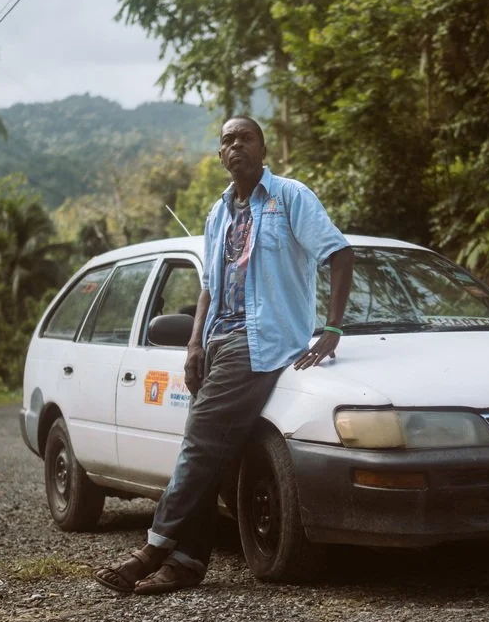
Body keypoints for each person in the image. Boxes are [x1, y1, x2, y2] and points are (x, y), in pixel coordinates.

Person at [94, 116, 354, 595]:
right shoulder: (218, 214)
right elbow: (209, 288)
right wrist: (194, 344)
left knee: (197, 448)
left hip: (260, 343)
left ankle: (152, 548)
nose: (237, 145)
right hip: (216, 341)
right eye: (228, 140)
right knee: (208, 453)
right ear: (220, 155)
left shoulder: (290, 197)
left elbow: (339, 253)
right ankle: (187, 563)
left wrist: (333, 328)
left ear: (263, 148)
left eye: (246, 138)